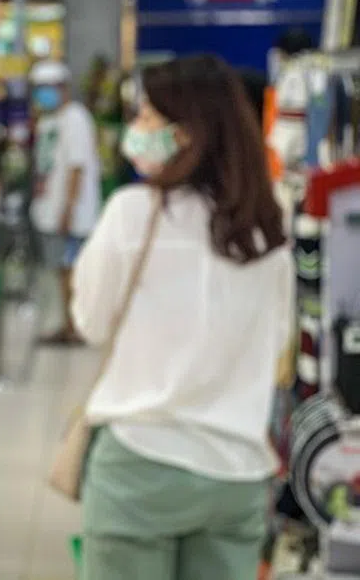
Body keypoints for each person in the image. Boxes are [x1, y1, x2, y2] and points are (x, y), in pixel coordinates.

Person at [73, 54, 291, 580]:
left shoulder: (134, 213)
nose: (136, 129)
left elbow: (91, 322)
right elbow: (278, 343)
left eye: (148, 116)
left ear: (188, 134)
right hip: (237, 471)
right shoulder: (265, 230)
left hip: (141, 462)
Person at [30, 60, 101, 345]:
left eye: (48, 89)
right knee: (61, 271)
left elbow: (77, 166)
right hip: (50, 209)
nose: (43, 95)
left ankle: (76, 326)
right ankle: (66, 322)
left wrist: (69, 208)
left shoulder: (76, 119)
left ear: (63, 89)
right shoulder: (48, 121)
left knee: (73, 271)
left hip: (70, 213)